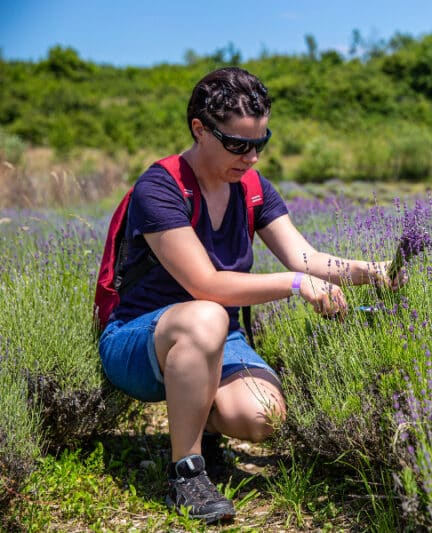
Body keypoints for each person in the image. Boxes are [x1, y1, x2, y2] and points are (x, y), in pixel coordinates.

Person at [98, 66, 403, 524]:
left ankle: (195, 417)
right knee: (207, 315)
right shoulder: (160, 187)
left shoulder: (252, 188)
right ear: (200, 130)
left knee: (261, 418)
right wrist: (294, 286)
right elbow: (208, 286)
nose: (252, 157)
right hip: (139, 336)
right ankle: (187, 473)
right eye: (238, 144)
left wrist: (374, 272)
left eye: (261, 142)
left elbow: (306, 258)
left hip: (216, 336)